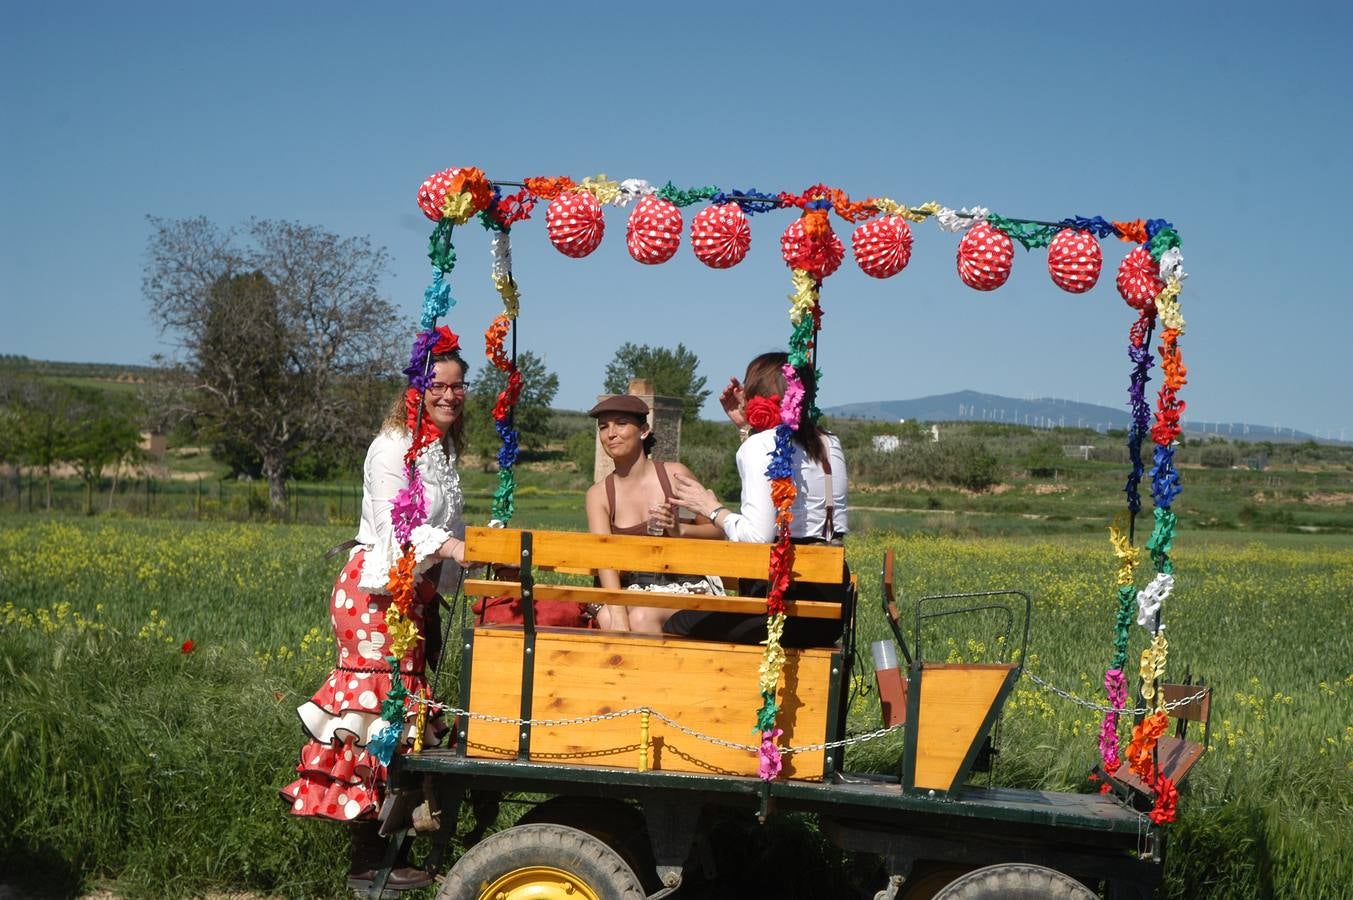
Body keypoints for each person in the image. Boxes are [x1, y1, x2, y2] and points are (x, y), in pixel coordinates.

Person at [279, 326, 469, 892]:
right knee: (371, 720)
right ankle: (366, 860)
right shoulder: (391, 448)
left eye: (458, 386)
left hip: (413, 595)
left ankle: (390, 853)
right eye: (438, 385)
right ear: (415, 388)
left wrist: (465, 567)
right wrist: (455, 549)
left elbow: (444, 531)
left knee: (404, 718)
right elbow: (397, 528)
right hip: (375, 596)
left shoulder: (440, 451)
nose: (450, 395)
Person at [667, 351, 850, 648]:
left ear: (758, 395)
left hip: (782, 608)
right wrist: (747, 428)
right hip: (829, 614)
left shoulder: (759, 446)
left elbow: (758, 536)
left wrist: (711, 508)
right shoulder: (830, 442)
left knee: (676, 620)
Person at [583, 394, 722, 632]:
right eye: (604, 427)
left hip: (685, 585)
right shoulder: (598, 495)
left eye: (621, 423)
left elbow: (719, 531)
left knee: (640, 618)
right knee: (608, 617)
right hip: (636, 589)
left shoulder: (674, 474)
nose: (611, 433)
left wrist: (680, 530)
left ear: (644, 430)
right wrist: (616, 612)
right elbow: (603, 558)